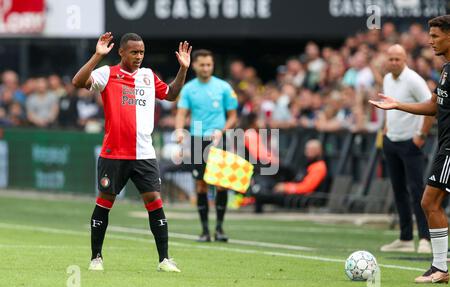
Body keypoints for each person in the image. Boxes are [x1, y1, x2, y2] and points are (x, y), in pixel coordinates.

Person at [72, 32, 192, 272]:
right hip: (113, 154)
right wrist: (97, 55)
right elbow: (78, 82)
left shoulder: (148, 76)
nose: (139, 57)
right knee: (105, 202)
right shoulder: (107, 73)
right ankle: (96, 257)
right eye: (134, 52)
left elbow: (171, 94)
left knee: (155, 202)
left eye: (142, 52)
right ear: (122, 52)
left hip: (144, 154)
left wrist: (183, 69)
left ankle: (164, 260)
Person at [369, 15, 450, 284]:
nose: (430, 40)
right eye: (430, 35)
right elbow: (433, 106)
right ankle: (439, 267)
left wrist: (419, 133)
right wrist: (397, 105)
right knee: (429, 201)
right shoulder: (446, 69)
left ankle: (440, 266)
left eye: (436, 36)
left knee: (428, 200)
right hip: (444, 145)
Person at [175, 49, 238, 242]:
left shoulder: (224, 87)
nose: (205, 68)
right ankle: (204, 230)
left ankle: (219, 228)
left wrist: (222, 130)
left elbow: (233, 116)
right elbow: (181, 113)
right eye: (202, 64)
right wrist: (179, 130)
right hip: (196, 140)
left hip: (218, 139)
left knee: (221, 185)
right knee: (200, 185)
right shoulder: (188, 89)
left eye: (209, 64)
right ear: (194, 65)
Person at [379, 44, 433, 254]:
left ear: (405, 59)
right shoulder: (386, 79)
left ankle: (425, 238)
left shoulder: (413, 80)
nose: (393, 62)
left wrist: (421, 135)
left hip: (410, 143)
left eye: (397, 59)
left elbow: (431, 106)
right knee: (398, 190)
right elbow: (388, 106)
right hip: (391, 140)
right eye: (390, 59)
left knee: (417, 191)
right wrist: (385, 129)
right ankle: (405, 237)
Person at [253, 139, 327, 212]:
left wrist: (286, 187)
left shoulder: (319, 166)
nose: (309, 151)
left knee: (262, 195)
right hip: (295, 194)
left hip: (303, 197)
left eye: (312, 149)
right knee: (264, 185)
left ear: (319, 151)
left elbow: (307, 187)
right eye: (308, 149)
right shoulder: (307, 164)